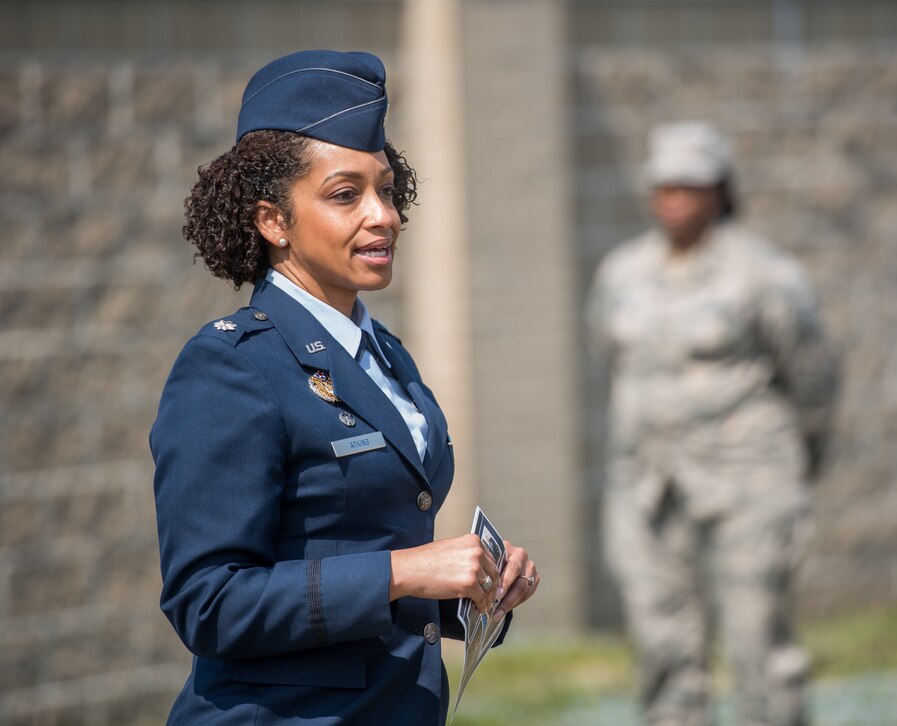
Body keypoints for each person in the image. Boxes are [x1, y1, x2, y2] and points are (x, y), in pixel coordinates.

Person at [150, 50, 540, 725]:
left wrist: (474, 590)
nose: (382, 214)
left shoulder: (380, 352)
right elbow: (208, 604)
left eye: (386, 189)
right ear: (273, 221)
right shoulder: (231, 366)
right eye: (345, 194)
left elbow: (356, 551)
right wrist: (405, 571)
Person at [586, 121, 839, 726]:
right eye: (663, 185)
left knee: (759, 651)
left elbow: (813, 379)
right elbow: (608, 355)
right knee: (662, 649)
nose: (673, 198)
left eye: (690, 185)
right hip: (647, 488)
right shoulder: (622, 273)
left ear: (721, 190)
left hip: (748, 485)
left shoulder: (765, 275)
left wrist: (795, 467)